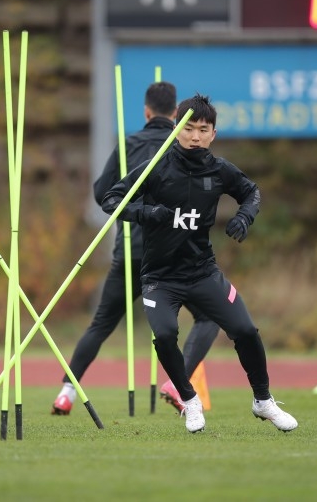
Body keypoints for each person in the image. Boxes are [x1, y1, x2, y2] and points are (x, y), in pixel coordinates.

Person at [101, 93, 297, 433]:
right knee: (164, 334)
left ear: (213, 134)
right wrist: (148, 213)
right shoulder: (157, 166)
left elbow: (251, 192)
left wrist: (245, 217)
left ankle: (263, 401)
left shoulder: (219, 170)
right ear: (176, 129)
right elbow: (111, 199)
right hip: (160, 278)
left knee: (246, 331)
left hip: (203, 272)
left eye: (203, 129)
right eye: (188, 128)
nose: (195, 136)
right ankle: (189, 400)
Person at [52, 82, 220, 415]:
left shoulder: (128, 144)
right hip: (174, 256)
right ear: (176, 115)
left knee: (101, 324)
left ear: (146, 112)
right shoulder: (182, 149)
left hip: (129, 250)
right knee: (209, 317)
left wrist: (132, 209)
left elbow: (103, 193)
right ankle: (178, 382)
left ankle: (67, 393)